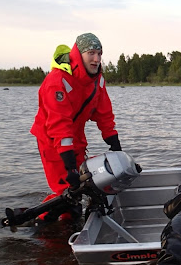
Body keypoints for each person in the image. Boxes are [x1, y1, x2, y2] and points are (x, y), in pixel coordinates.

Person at [30, 33, 122, 221]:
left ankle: (70, 223)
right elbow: (59, 124)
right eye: (91, 53)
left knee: (81, 190)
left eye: (99, 53)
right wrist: (70, 166)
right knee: (65, 193)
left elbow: (104, 113)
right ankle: (42, 223)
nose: (96, 59)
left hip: (76, 139)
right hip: (52, 141)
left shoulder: (97, 80)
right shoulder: (57, 81)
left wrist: (115, 144)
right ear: (79, 55)